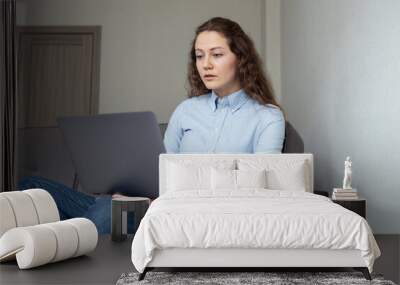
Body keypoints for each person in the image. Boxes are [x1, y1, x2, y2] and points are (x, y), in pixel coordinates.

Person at [164, 17, 285, 154]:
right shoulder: (185, 110)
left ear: (241, 58)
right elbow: (161, 169)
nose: (206, 65)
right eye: (199, 56)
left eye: (217, 54)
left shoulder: (268, 117)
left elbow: (264, 173)